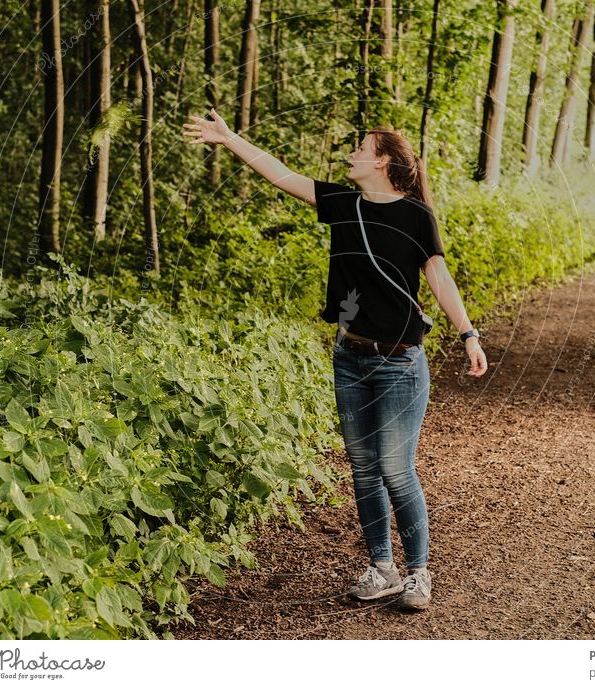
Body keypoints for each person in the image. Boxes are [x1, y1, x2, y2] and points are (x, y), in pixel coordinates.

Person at [183, 108, 488, 612]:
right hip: (350, 358)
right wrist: (229, 137)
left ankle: (419, 573)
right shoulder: (344, 204)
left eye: (361, 148)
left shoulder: (416, 216)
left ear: (384, 162)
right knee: (364, 469)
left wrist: (468, 334)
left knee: (395, 468)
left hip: (399, 361)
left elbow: (439, 277)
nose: (351, 153)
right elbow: (279, 174)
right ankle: (382, 567)